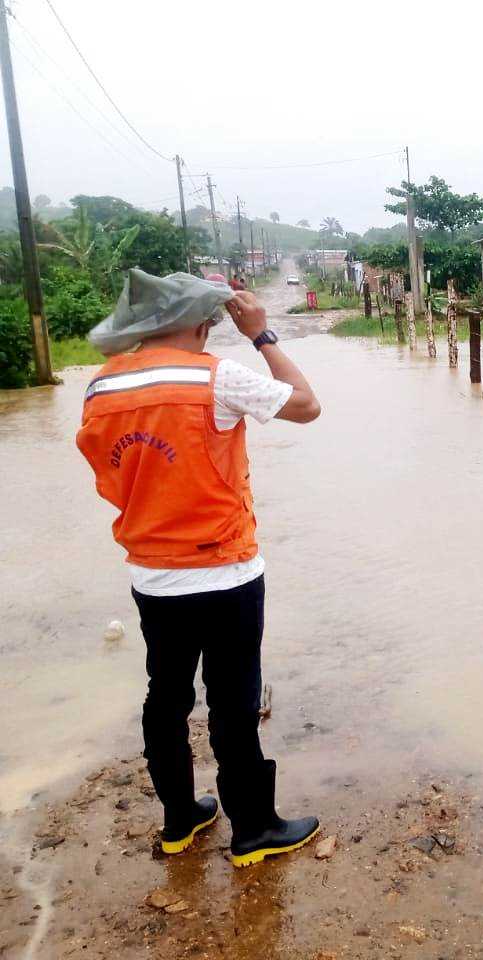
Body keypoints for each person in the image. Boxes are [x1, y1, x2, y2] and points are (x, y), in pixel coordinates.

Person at [76, 269, 322, 867]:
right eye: (210, 318)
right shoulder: (215, 377)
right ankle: (254, 831)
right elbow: (307, 406)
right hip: (224, 571)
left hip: (151, 574)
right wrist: (262, 336)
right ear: (195, 321)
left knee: (166, 697)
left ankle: (179, 821)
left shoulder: (100, 387)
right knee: (233, 703)